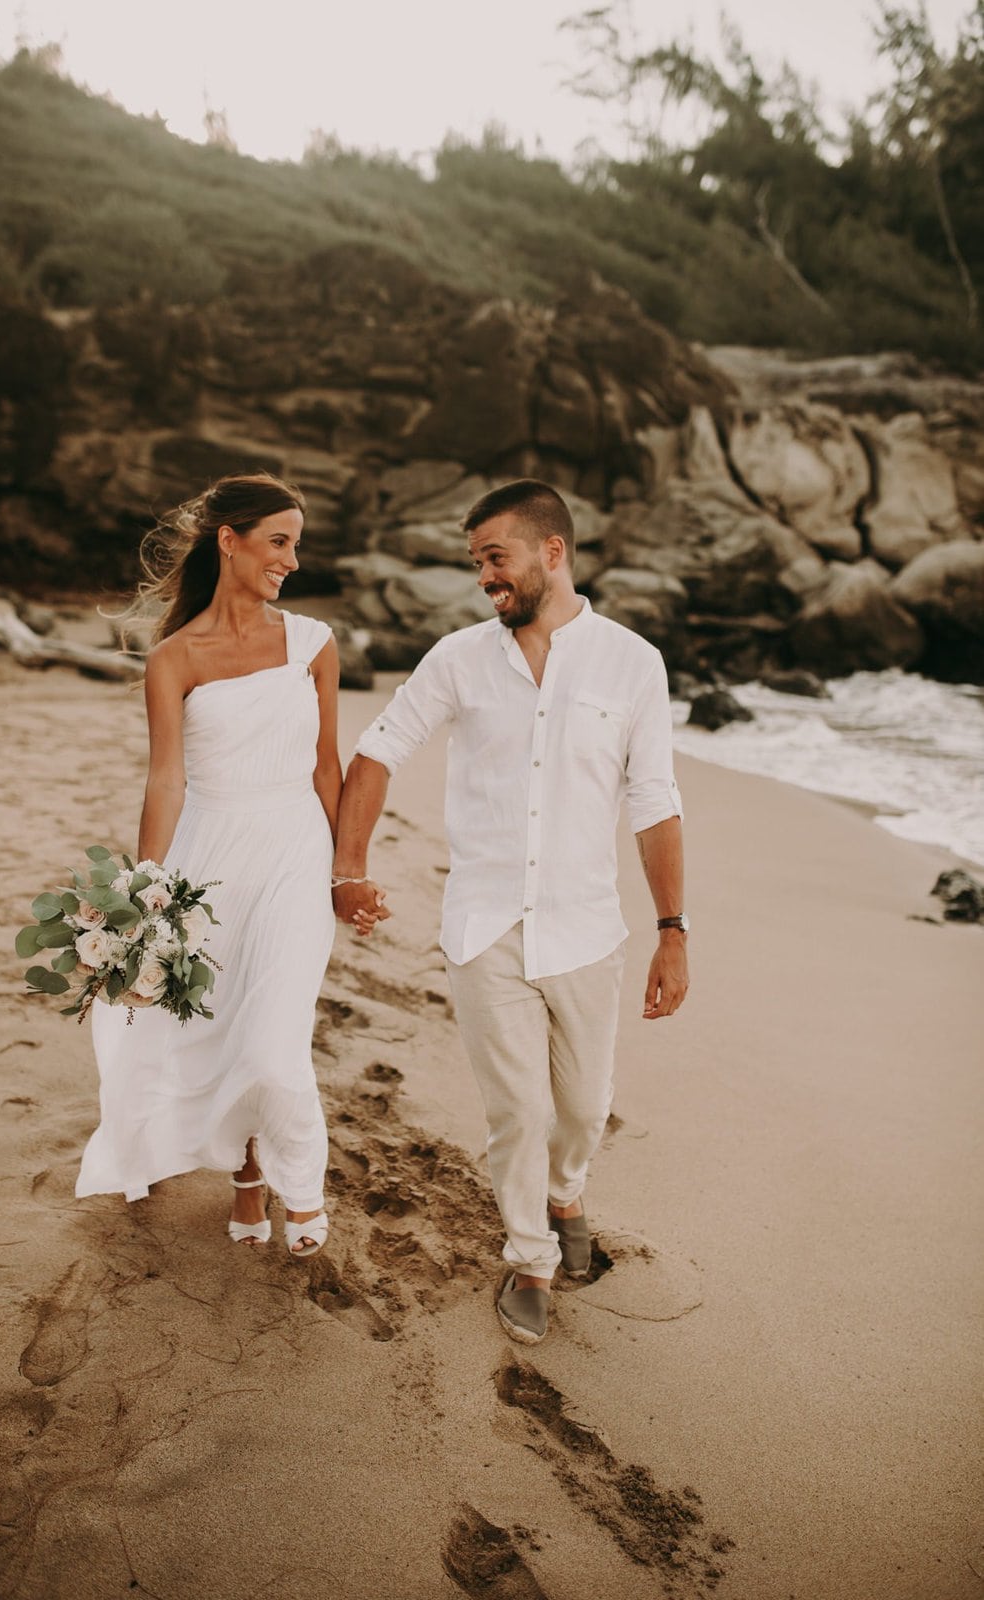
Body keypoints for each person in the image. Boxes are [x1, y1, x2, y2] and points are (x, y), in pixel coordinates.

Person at [332, 479, 688, 1342]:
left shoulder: (631, 662)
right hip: (482, 924)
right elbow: (379, 750)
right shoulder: (456, 658)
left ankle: (566, 1195)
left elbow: (654, 801)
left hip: (586, 929)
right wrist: (348, 866)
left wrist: (672, 932)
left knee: (582, 1107)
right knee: (518, 1111)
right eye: (476, 562)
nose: (484, 578)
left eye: (496, 558)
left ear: (551, 552)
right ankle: (530, 1256)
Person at [76, 472, 341, 1258]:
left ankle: (301, 1189)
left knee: (274, 1036)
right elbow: (167, 778)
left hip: (297, 846)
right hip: (209, 857)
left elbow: (329, 767)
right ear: (230, 541)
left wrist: (346, 872)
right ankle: (247, 1176)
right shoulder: (173, 659)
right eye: (279, 541)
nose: (291, 560)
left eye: (297, 543)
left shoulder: (315, 643)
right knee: (221, 1024)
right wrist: (146, 892)